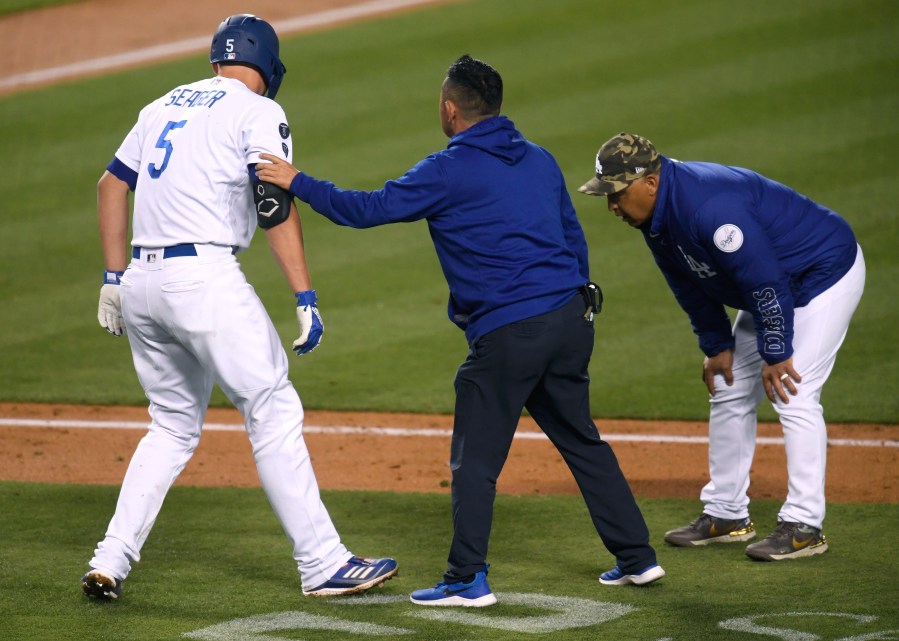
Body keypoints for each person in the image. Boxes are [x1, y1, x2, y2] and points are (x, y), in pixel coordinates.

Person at [254, 54, 664, 607]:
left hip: (510, 334)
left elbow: (367, 209)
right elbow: (572, 238)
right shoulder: (540, 159)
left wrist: (297, 180)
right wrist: (578, 301)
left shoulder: (447, 168)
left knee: (475, 459)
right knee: (582, 441)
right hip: (570, 321)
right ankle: (637, 558)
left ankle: (466, 578)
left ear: (451, 108)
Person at [83, 14, 397, 601]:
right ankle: (323, 562)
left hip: (141, 283)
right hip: (202, 281)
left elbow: (110, 185)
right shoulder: (258, 112)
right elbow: (272, 200)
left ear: (216, 60)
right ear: (269, 66)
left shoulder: (161, 104)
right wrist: (304, 295)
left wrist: (111, 276)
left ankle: (110, 560)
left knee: (171, 425)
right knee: (272, 407)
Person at [577, 132, 865, 561]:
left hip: (821, 273)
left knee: (794, 391)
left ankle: (805, 524)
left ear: (650, 182)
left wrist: (776, 351)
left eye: (617, 193)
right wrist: (716, 344)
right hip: (773, 286)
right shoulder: (655, 216)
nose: (612, 205)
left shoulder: (709, 209)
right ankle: (727, 513)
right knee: (729, 384)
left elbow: (765, 282)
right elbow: (688, 284)